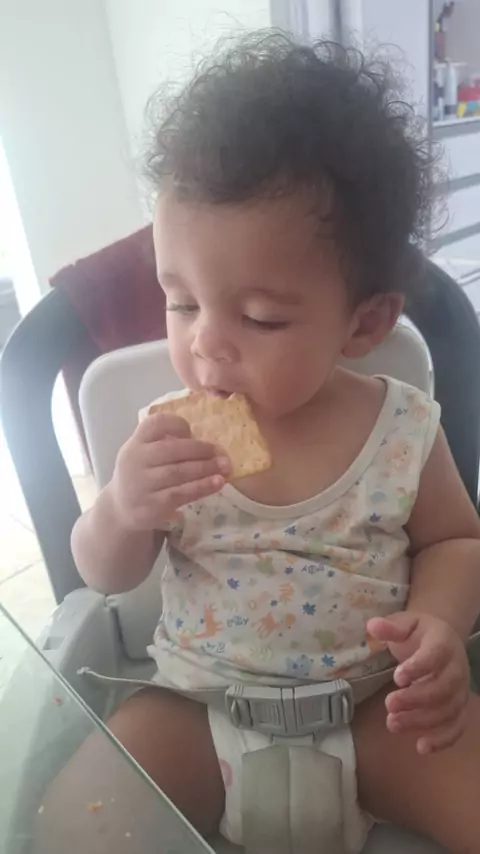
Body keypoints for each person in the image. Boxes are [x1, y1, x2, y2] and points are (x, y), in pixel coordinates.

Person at [71, 32, 480, 854]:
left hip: (374, 711)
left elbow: (458, 541)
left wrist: (438, 625)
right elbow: (103, 574)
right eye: (182, 302)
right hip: (196, 712)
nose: (205, 344)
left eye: (258, 317)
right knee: (72, 823)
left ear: (363, 323)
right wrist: (121, 507)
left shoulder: (402, 428)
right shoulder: (166, 437)